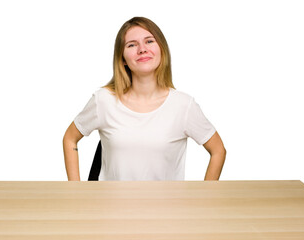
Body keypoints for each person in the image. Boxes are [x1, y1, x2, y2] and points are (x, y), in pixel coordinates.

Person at [63, 17, 226, 181]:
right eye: (131, 45)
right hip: (112, 206)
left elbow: (218, 151)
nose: (142, 49)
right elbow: (70, 138)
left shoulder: (183, 105)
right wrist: (76, 191)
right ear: (122, 59)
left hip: (166, 206)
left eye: (149, 41)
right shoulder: (103, 101)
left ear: (161, 49)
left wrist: (206, 197)